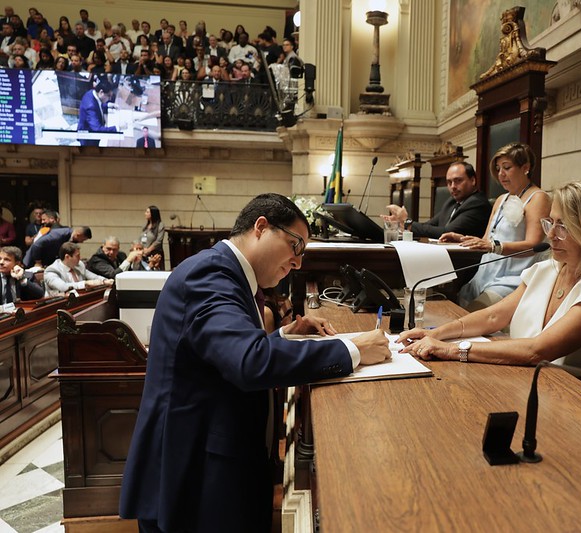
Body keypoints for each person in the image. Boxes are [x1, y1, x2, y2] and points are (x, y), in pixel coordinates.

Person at [119, 193, 390, 532]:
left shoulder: (227, 273)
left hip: (210, 461)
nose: (298, 263)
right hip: (193, 471)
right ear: (261, 227)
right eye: (296, 246)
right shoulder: (211, 275)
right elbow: (248, 362)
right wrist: (352, 350)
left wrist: (285, 335)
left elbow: (222, 355)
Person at [399, 180, 581, 376]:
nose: (550, 235)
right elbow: (494, 316)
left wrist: (450, 349)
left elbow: (537, 350)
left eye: (563, 227)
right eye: (551, 223)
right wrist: (435, 333)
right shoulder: (548, 269)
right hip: (532, 380)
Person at [445, 143, 551, 311]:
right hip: (485, 274)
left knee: (469, 317)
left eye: (507, 167)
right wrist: (463, 239)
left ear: (526, 168)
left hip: (512, 279)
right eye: (498, 168)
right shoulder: (501, 199)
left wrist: (493, 246)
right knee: (451, 309)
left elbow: (534, 246)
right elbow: (488, 240)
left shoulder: (538, 198)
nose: (501, 174)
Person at [382, 162, 491, 239]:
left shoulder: (477, 203)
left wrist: (407, 222)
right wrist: (400, 223)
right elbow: (429, 226)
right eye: (449, 182)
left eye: (458, 181)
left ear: (472, 180)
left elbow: (447, 232)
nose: (453, 186)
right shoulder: (452, 202)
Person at [43, 242, 112, 295]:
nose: (80, 258)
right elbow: (63, 287)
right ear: (67, 257)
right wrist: (85, 283)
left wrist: (105, 281)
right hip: (55, 306)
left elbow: (94, 277)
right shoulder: (51, 271)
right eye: (77, 256)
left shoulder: (79, 265)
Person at [77, 77, 124, 147]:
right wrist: (117, 128)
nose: (110, 99)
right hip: (88, 137)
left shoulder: (92, 93)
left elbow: (98, 104)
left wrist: (108, 105)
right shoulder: (90, 106)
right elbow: (97, 129)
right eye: (108, 96)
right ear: (101, 92)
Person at [24, 225, 91, 267]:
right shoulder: (59, 235)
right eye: (83, 239)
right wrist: (38, 262)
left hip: (47, 262)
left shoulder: (72, 239)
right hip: (33, 262)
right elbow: (37, 245)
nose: (82, 242)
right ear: (78, 235)